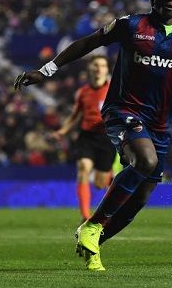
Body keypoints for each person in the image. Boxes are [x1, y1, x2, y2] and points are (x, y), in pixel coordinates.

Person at [14, 0, 172, 272]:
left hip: (160, 124)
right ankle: (92, 224)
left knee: (141, 197)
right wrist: (46, 70)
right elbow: (87, 43)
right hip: (122, 111)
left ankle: (94, 240)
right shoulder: (132, 26)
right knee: (146, 161)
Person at [51, 55, 117, 221]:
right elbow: (75, 115)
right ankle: (85, 215)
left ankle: (109, 178)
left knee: (99, 184)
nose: (99, 69)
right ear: (90, 68)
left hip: (107, 138)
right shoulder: (82, 92)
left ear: (107, 70)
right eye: (96, 65)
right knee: (83, 167)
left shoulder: (114, 90)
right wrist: (63, 131)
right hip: (87, 136)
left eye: (102, 65)